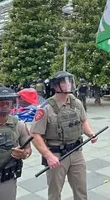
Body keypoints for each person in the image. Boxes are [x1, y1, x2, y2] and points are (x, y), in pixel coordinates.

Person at [30, 71, 97, 200]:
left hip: (76, 151)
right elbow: (35, 134)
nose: (69, 84)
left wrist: (90, 133)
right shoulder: (46, 108)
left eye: (70, 81)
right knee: (55, 192)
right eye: (64, 82)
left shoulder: (76, 102)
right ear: (55, 86)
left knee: (81, 189)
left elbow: (83, 120)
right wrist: (48, 156)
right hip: (57, 154)